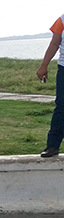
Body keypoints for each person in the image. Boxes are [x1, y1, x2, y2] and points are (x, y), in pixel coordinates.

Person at [36, 13, 64, 157]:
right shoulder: (62, 19)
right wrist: (44, 65)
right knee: (62, 107)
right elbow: (54, 43)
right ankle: (52, 146)